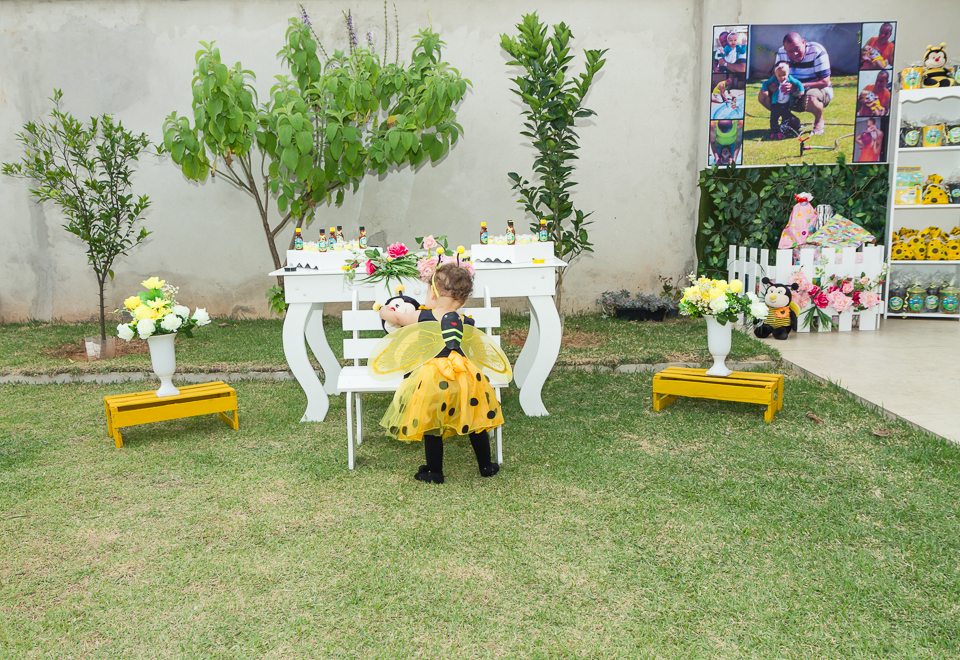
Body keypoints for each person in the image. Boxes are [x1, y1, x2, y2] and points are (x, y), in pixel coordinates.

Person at [376, 263, 508, 484]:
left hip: (433, 379)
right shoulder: (466, 321)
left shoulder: (422, 316)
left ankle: (434, 471)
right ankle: (486, 465)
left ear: (433, 294)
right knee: (475, 422)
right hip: (466, 378)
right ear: (462, 302)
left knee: (432, 426)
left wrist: (383, 310)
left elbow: (396, 319)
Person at [758, 32, 832, 135]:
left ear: (803, 42)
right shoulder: (781, 52)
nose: (795, 54)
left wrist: (798, 87)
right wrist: (772, 86)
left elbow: (825, 82)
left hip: (816, 90)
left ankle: (818, 121)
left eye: (797, 49)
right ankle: (792, 120)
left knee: (811, 98)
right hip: (789, 93)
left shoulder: (817, 51)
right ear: (785, 50)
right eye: (790, 51)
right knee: (763, 95)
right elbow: (776, 75)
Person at [763, 62, 804, 139]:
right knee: (774, 118)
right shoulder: (774, 79)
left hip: (787, 104)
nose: (782, 77)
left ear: (788, 73)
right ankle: (774, 131)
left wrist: (801, 90)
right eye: (779, 75)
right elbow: (765, 83)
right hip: (776, 104)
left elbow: (798, 83)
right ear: (775, 74)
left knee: (785, 119)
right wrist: (765, 90)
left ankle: (782, 132)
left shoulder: (790, 79)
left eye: (784, 74)